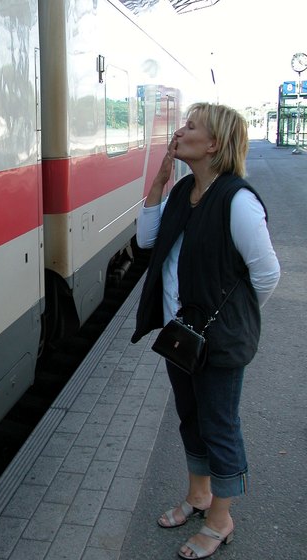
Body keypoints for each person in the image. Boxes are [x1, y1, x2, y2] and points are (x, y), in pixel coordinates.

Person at [131, 102, 280, 559]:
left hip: (217, 343)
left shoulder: (236, 200)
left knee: (220, 426)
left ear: (213, 143)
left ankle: (220, 519)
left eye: (191, 126)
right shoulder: (183, 193)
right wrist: (156, 186)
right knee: (191, 419)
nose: (181, 130)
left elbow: (267, 275)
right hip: (182, 337)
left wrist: (231, 319)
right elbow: (146, 243)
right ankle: (198, 496)